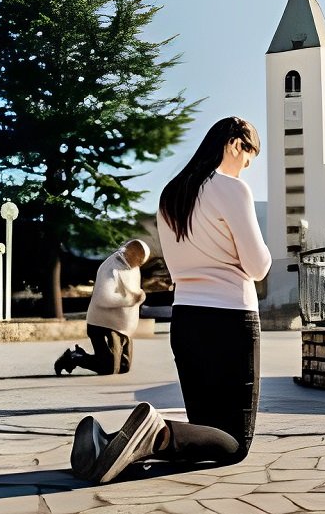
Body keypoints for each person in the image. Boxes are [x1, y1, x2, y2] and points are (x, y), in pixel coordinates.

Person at [70, 116, 271, 483]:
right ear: (234, 144)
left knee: (205, 432)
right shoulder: (231, 189)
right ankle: (153, 432)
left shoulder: (171, 193)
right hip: (231, 321)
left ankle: (113, 442)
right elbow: (257, 267)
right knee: (235, 444)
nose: (246, 168)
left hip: (188, 321)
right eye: (248, 158)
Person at [54, 239, 150, 376]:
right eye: (138, 259)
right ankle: (73, 358)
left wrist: (139, 297)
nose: (139, 264)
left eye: (141, 262)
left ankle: (83, 357)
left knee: (123, 366)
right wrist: (131, 300)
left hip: (123, 327)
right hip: (104, 324)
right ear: (131, 253)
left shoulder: (132, 267)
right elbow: (103, 299)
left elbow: (133, 292)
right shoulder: (111, 267)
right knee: (109, 368)